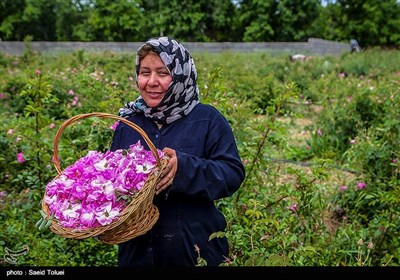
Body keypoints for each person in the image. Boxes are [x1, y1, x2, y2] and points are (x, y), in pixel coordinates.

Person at [110, 36, 245, 267]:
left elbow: (231, 173)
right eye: (145, 72)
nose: (151, 81)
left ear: (180, 75)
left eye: (163, 73)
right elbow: (110, 178)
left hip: (194, 251)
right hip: (137, 254)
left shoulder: (208, 119)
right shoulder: (128, 124)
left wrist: (183, 168)